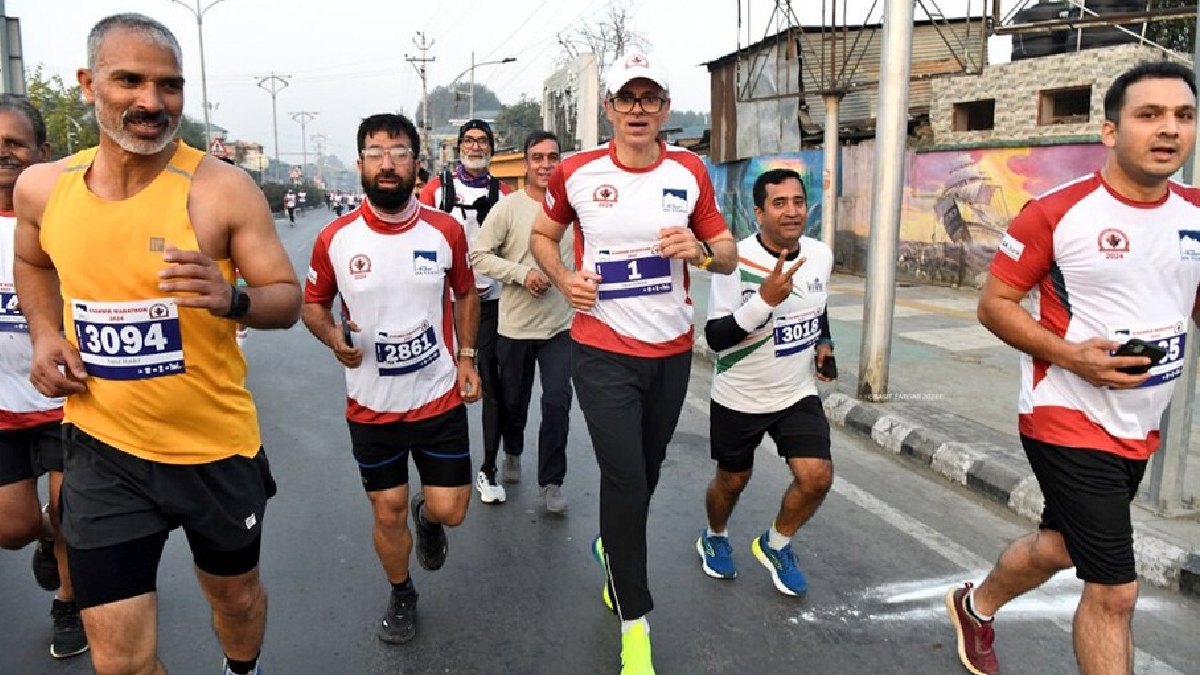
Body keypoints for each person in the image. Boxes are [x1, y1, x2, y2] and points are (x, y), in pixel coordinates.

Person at [13, 14, 301, 675]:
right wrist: (46, 331)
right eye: (129, 81)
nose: (151, 101)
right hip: (102, 449)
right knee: (118, 660)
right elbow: (31, 260)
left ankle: (242, 667)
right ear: (89, 84)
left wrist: (232, 297)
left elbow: (285, 297)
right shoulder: (44, 188)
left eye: (169, 85)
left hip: (213, 449)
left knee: (235, 601)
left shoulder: (219, 190)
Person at [946, 61, 1200, 675]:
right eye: (1149, 115)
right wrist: (1072, 357)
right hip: (1065, 412)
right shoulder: (1057, 213)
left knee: (1059, 547)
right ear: (1110, 131)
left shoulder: (1196, 211)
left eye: (1183, 116)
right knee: (1114, 591)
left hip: (1139, 421)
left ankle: (973, 607)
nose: (1169, 129)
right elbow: (994, 305)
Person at [530, 52, 736, 675]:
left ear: (665, 108)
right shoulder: (578, 172)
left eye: (650, 98)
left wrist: (699, 251)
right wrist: (565, 279)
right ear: (610, 107)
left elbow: (727, 252)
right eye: (627, 98)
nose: (638, 109)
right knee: (623, 477)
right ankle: (634, 621)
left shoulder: (689, 169)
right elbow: (542, 236)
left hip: (670, 352)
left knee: (643, 474)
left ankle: (612, 550)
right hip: (601, 349)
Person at [302, 113, 481, 645]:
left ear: (415, 163)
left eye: (399, 153)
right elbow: (312, 305)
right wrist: (333, 337)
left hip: (437, 396)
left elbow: (466, 293)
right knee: (387, 510)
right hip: (371, 406)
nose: (388, 163)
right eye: (376, 154)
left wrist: (467, 357)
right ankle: (402, 592)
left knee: (451, 510)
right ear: (360, 164)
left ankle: (430, 519)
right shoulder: (335, 239)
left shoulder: (445, 230)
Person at [699, 168, 835, 596]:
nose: (791, 211)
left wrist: (824, 343)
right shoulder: (733, 262)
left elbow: (818, 304)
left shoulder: (820, 254)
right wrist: (763, 302)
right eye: (779, 203)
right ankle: (714, 536)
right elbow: (716, 337)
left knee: (817, 477)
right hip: (740, 396)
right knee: (732, 481)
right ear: (759, 213)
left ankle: (776, 544)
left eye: (798, 202)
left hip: (796, 393)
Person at [0, 94, 88, 660]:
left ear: (42, 152)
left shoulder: (64, 220)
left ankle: (68, 603)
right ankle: (44, 540)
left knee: (71, 512)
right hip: (3, 409)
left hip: (64, 401)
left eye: (15, 143)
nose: (4, 154)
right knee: (12, 527)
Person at [469, 131, 573, 511]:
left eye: (552, 157)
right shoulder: (508, 208)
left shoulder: (573, 208)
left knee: (558, 400)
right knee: (514, 402)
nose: (546, 165)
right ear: (526, 164)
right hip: (514, 326)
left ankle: (551, 482)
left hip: (561, 326)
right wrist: (520, 274)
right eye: (537, 158)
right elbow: (478, 255)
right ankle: (512, 450)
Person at [420, 119, 514, 498]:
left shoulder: (504, 194)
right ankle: (438, 470)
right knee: (439, 385)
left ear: (491, 148)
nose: (476, 147)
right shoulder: (435, 190)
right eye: (469, 141)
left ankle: (489, 468)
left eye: (482, 141)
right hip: (442, 307)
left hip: (488, 304)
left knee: (491, 387)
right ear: (458, 147)